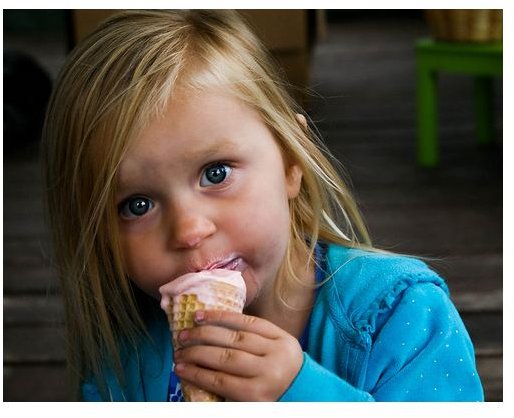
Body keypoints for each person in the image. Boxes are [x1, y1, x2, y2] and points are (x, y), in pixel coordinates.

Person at [41, 10, 484, 402]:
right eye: (137, 205)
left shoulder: (400, 316)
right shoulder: (128, 367)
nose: (189, 229)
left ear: (292, 159)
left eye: (216, 173)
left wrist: (301, 394)